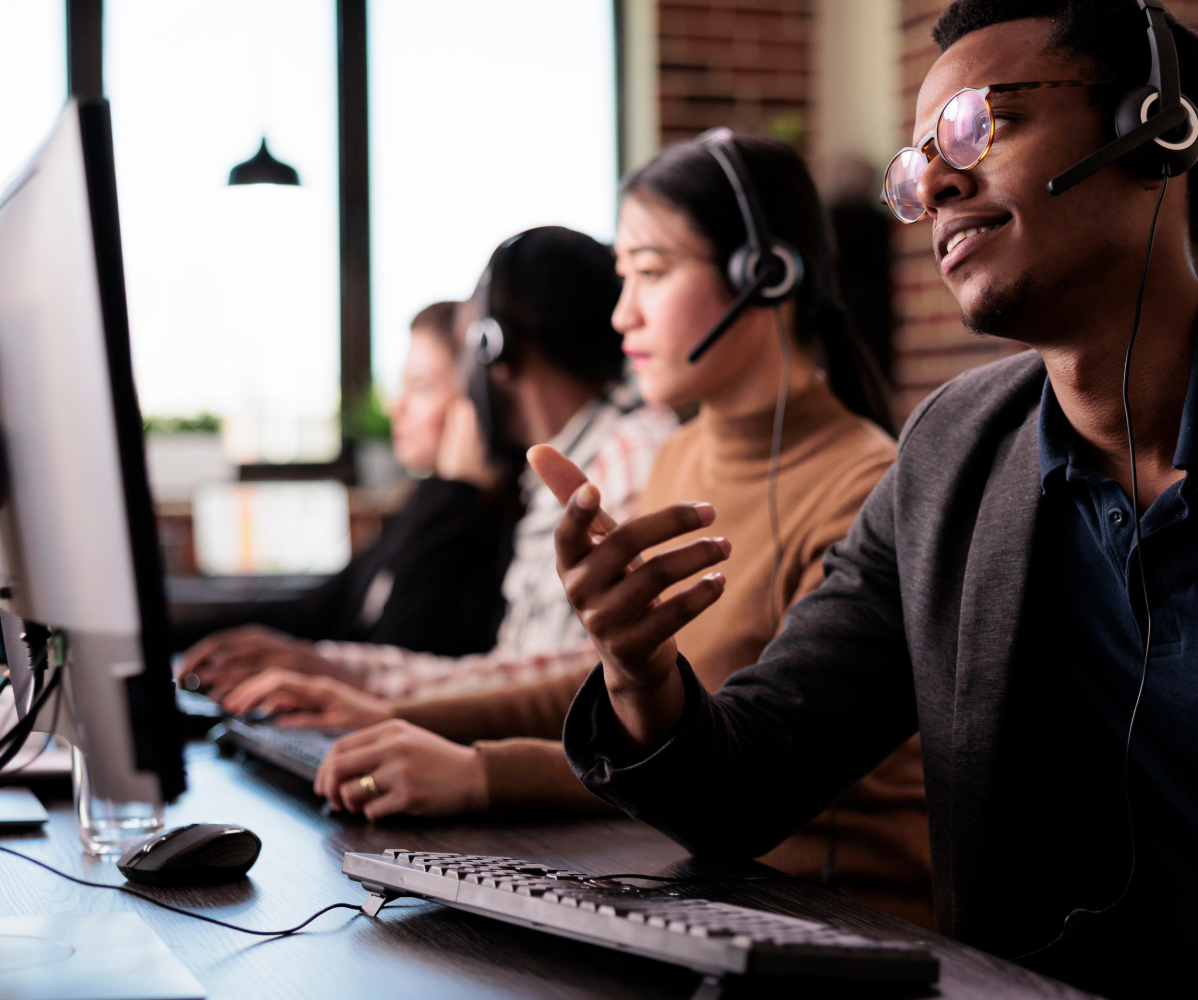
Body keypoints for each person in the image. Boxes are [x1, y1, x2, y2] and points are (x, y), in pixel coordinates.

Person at [540, 3, 1198, 999]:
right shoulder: (949, 461)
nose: (938, 186)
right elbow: (751, 779)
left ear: (1154, 128)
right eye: (918, 167)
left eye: (973, 127)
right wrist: (639, 671)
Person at [230, 135, 935, 926]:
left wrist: (479, 774)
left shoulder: (862, 487)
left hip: (829, 918)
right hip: (696, 883)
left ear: (762, 275)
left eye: (652, 272)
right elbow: (612, 699)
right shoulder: (682, 457)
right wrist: (384, 713)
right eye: (623, 275)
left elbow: (720, 753)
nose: (620, 312)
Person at [185, 227, 679, 701]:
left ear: (494, 350)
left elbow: (584, 691)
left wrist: (370, 695)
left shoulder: (626, 459)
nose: (466, 384)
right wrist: (337, 672)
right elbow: (521, 670)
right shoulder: (560, 470)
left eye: (466, 355)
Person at [175, 301, 519, 661]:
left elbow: (401, 649)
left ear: (478, 404)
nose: (394, 407)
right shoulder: (422, 506)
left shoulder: (488, 528)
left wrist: (456, 489)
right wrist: (160, 637)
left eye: (420, 386)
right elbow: (310, 612)